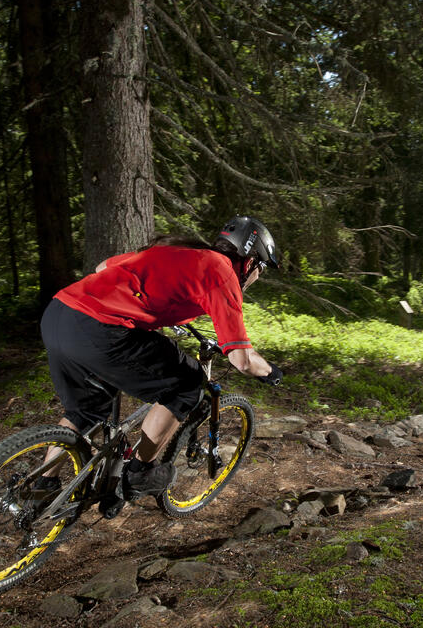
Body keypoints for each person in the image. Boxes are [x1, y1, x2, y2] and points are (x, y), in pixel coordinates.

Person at [39, 215, 283, 501]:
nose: (258, 276)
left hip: (59, 314)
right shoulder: (223, 272)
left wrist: (154, 305)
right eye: (261, 268)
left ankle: (42, 486)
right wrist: (270, 371)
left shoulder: (182, 251)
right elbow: (242, 359)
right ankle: (139, 472)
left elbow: (103, 267)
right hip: (101, 331)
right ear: (250, 260)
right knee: (188, 383)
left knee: (83, 413)